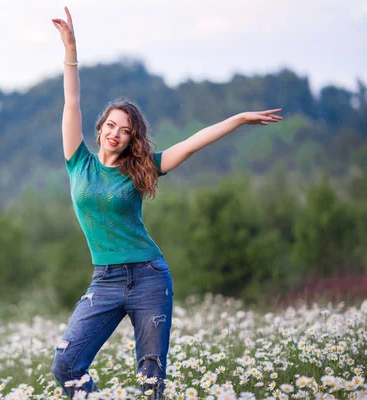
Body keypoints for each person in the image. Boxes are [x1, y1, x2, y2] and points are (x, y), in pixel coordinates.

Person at [50, 7, 283, 399]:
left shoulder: (142, 169)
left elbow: (192, 142)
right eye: (110, 126)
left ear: (130, 138)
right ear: (100, 128)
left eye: (124, 131)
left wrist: (238, 119)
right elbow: (71, 100)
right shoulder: (79, 161)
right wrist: (71, 48)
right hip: (104, 281)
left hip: (149, 277)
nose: (115, 134)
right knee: (66, 365)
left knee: (151, 382)